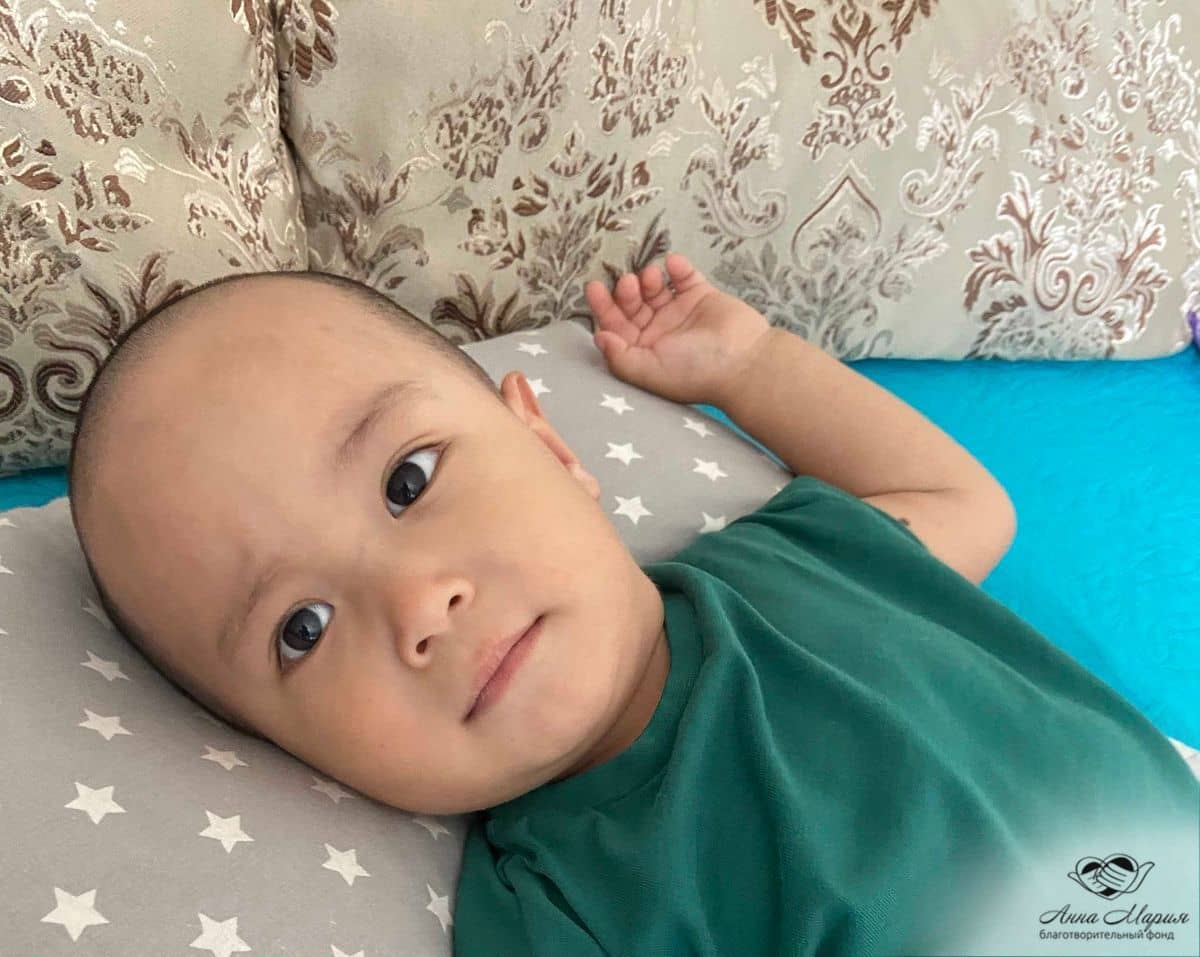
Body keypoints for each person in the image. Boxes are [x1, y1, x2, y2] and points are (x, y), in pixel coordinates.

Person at [67, 253, 1199, 956]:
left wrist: (748, 365)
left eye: (409, 479)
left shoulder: (799, 557)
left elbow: (966, 505)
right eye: (300, 630)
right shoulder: (555, 913)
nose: (419, 604)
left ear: (550, 443)